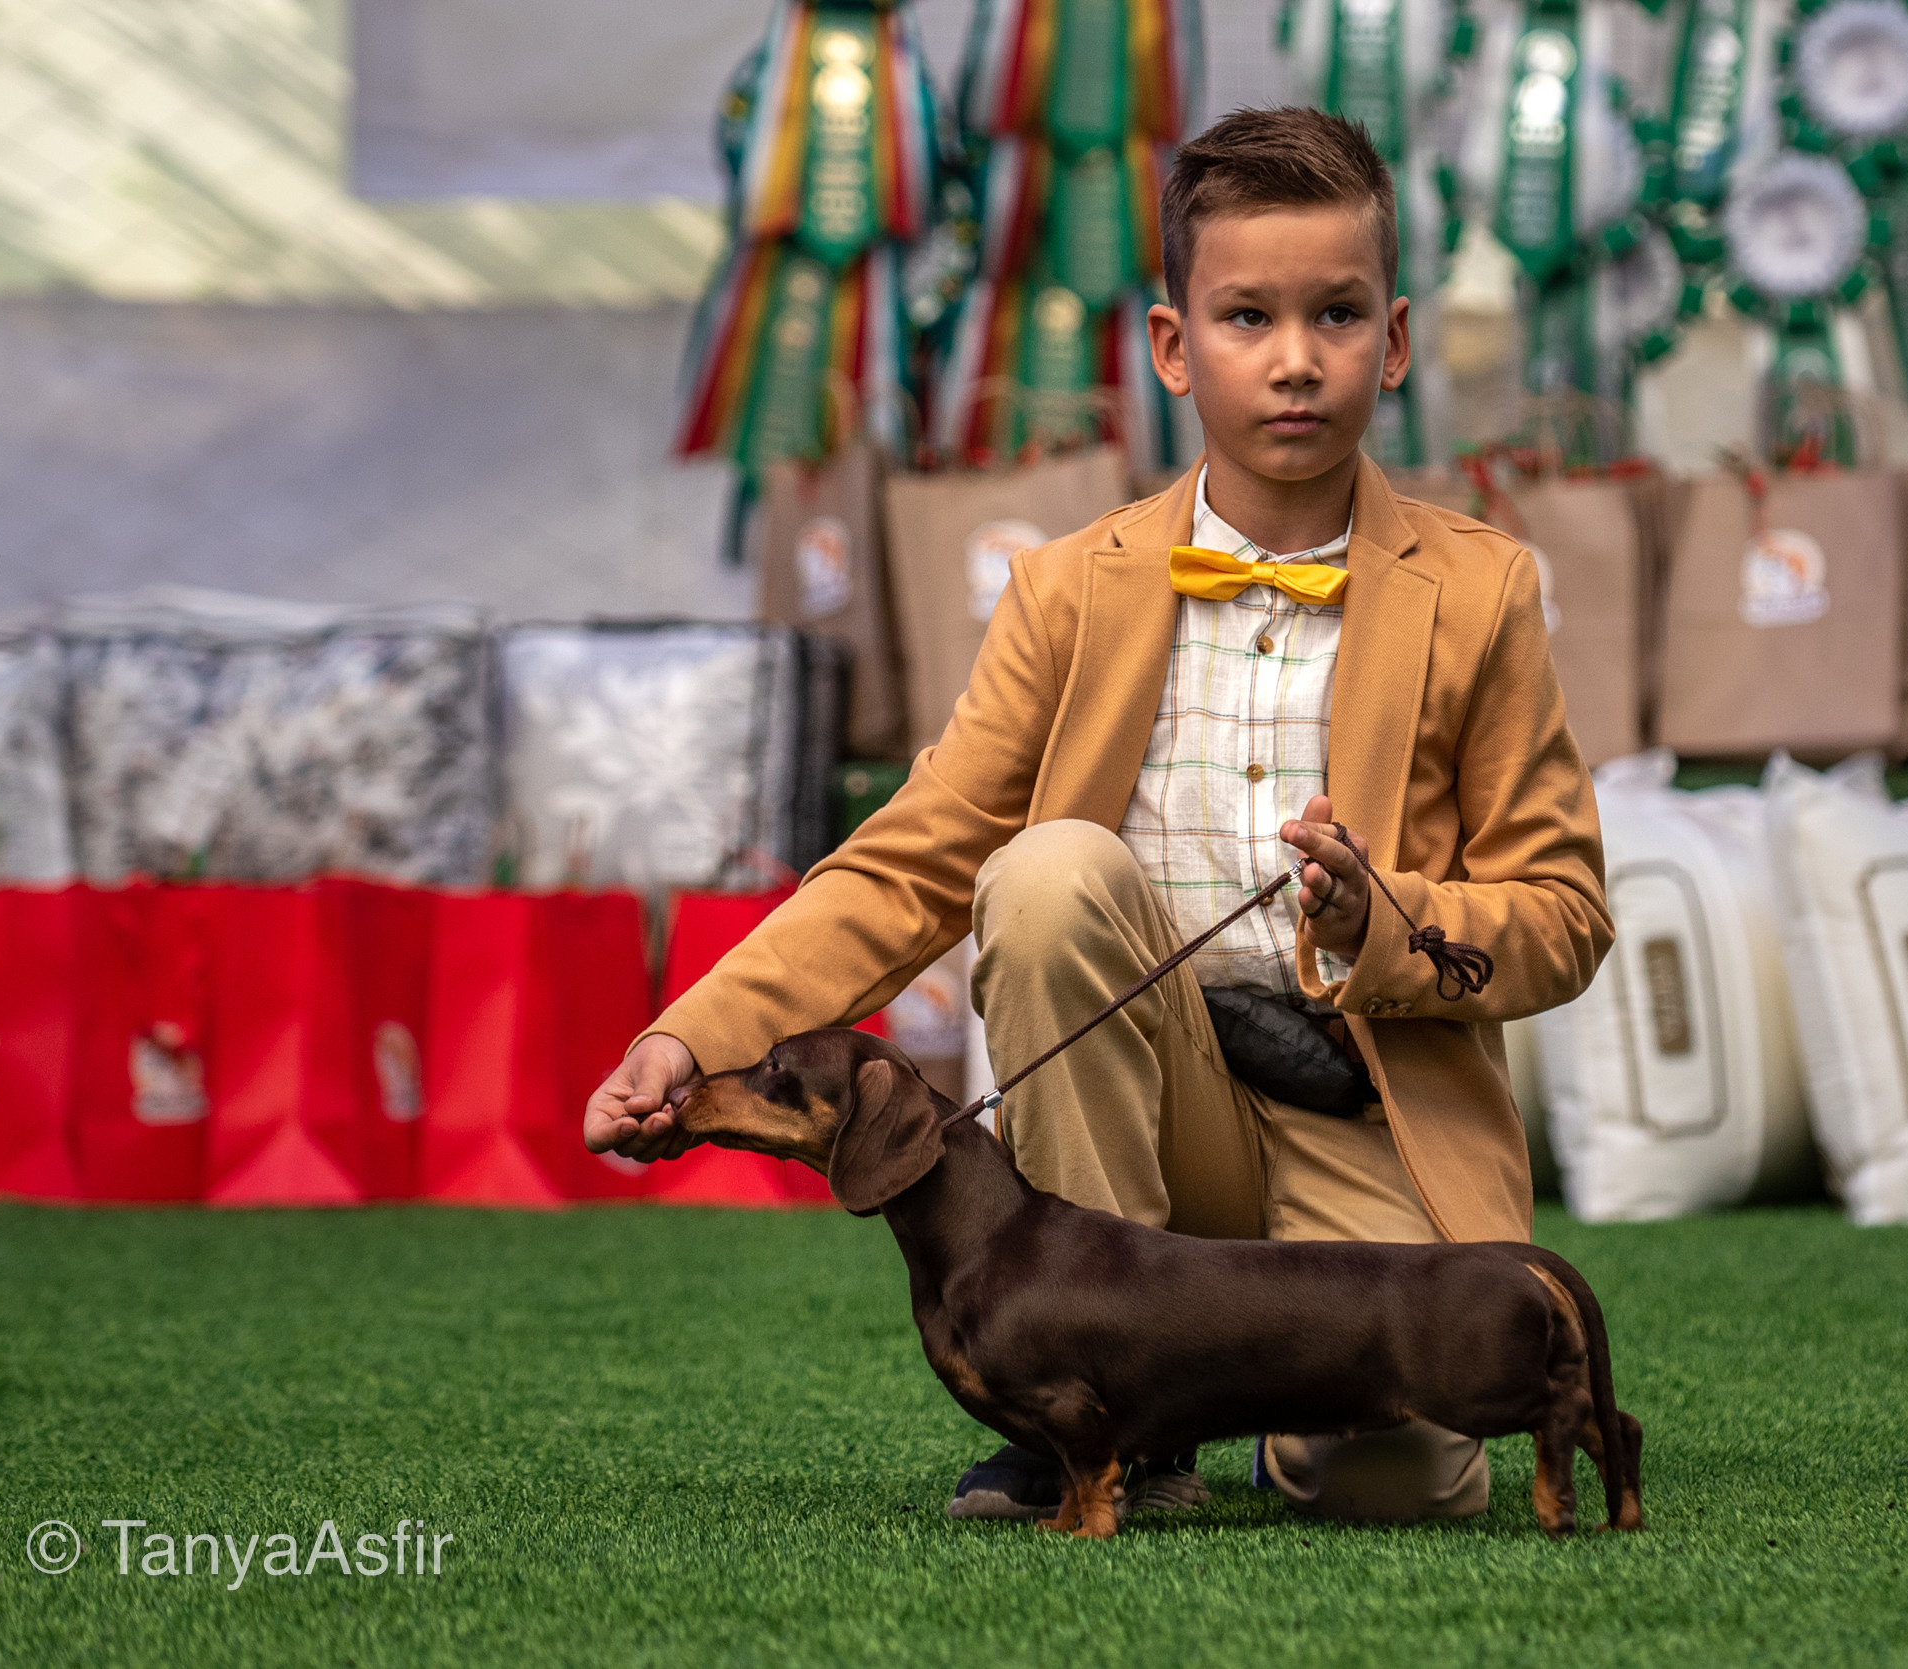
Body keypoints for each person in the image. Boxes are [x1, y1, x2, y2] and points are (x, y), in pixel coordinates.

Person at [584, 106, 1611, 1525]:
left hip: (1367, 1118)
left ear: (1397, 340)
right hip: (1142, 1121)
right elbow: (906, 865)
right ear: (1174, 347)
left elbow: (1565, 918)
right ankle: (1127, 1408)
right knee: (1050, 870)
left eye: (1338, 313)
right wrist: (688, 1036)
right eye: (1249, 315)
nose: (1298, 357)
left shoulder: (1485, 589)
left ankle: (1256, 1385)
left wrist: (1393, 921)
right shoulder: (1070, 585)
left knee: (1395, 1485)